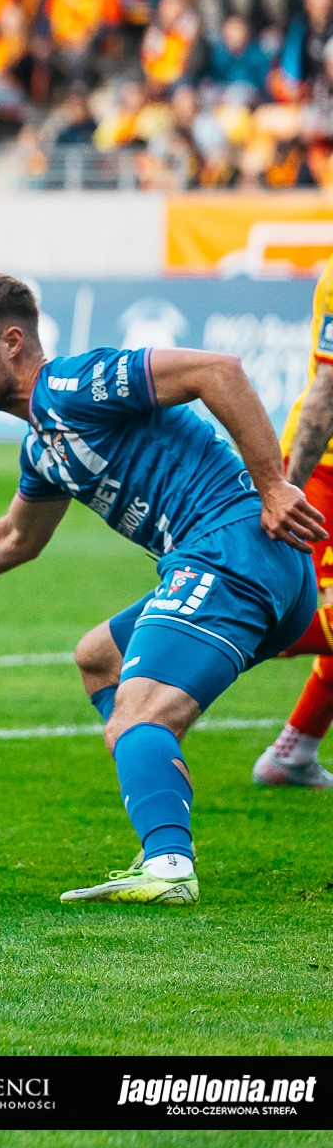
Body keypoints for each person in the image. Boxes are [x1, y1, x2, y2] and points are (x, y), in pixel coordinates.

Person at [0, 274, 325, 905]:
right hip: (253, 567)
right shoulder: (43, 447)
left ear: (12, 342)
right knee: (100, 658)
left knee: (138, 713)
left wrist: (273, 485)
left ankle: (168, 864)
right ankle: (154, 781)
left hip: (233, 551)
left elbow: (218, 370)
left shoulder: (75, 384)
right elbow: (16, 538)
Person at [252, 258, 333, 788]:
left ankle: (294, 751)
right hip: (324, 473)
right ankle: (189, 636)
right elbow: (330, 390)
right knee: (307, 613)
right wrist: (290, 490)